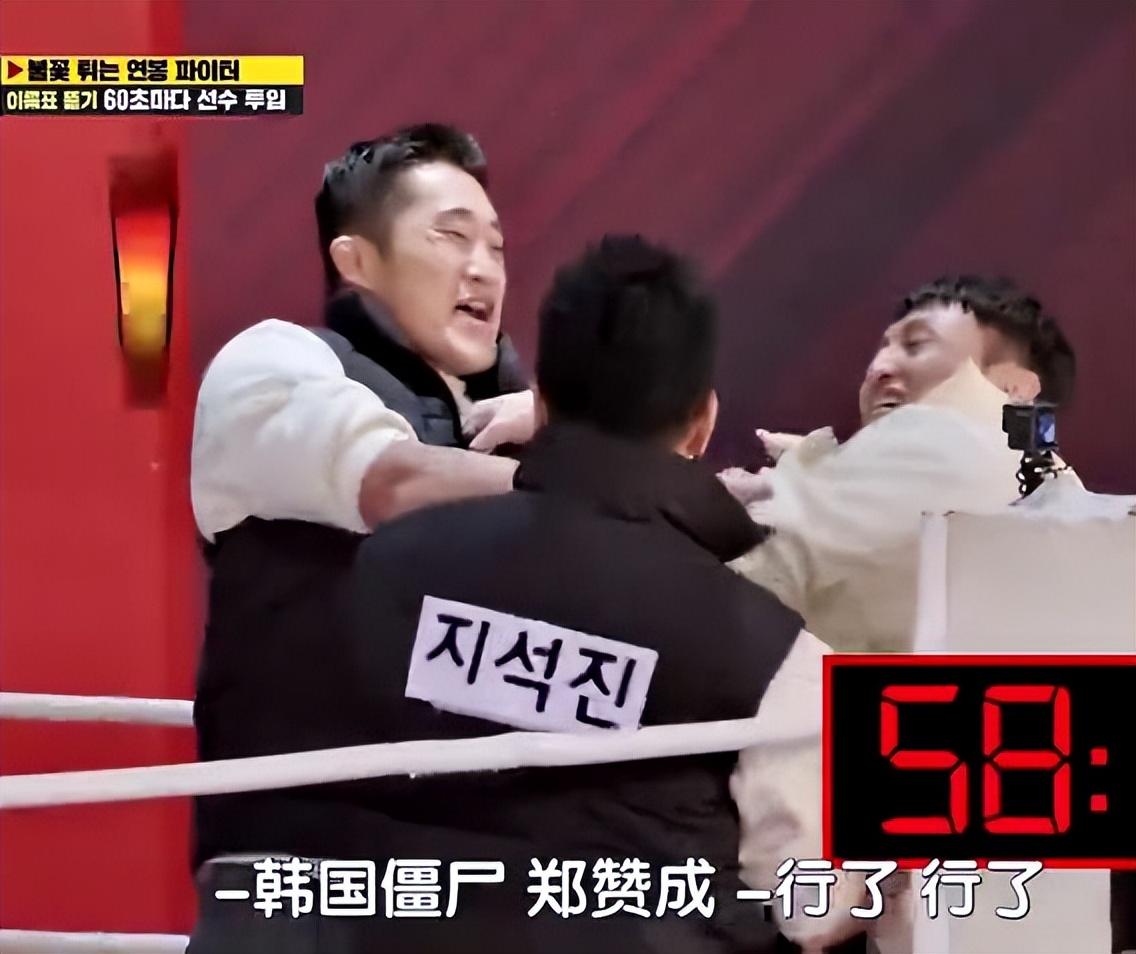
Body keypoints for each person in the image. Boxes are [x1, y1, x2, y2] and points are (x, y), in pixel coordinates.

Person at [188, 235, 864, 953]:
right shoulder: (771, 651)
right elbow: (813, 903)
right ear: (702, 422)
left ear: (539, 403)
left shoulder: (379, 571)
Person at [190, 123, 533, 922]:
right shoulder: (274, 362)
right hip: (307, 876)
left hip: (481, 881)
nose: (483, 267)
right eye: (452, 236)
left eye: (496, 247)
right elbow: (390, 482)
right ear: (356, 260)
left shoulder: (518, 428)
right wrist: (593, 469)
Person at [728, 275, 1077, 654]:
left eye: (916, 345)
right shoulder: (1058, 493)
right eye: (883, 348)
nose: (878, 368)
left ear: (1013, 387)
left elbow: (729, 602)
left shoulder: (941, 439)